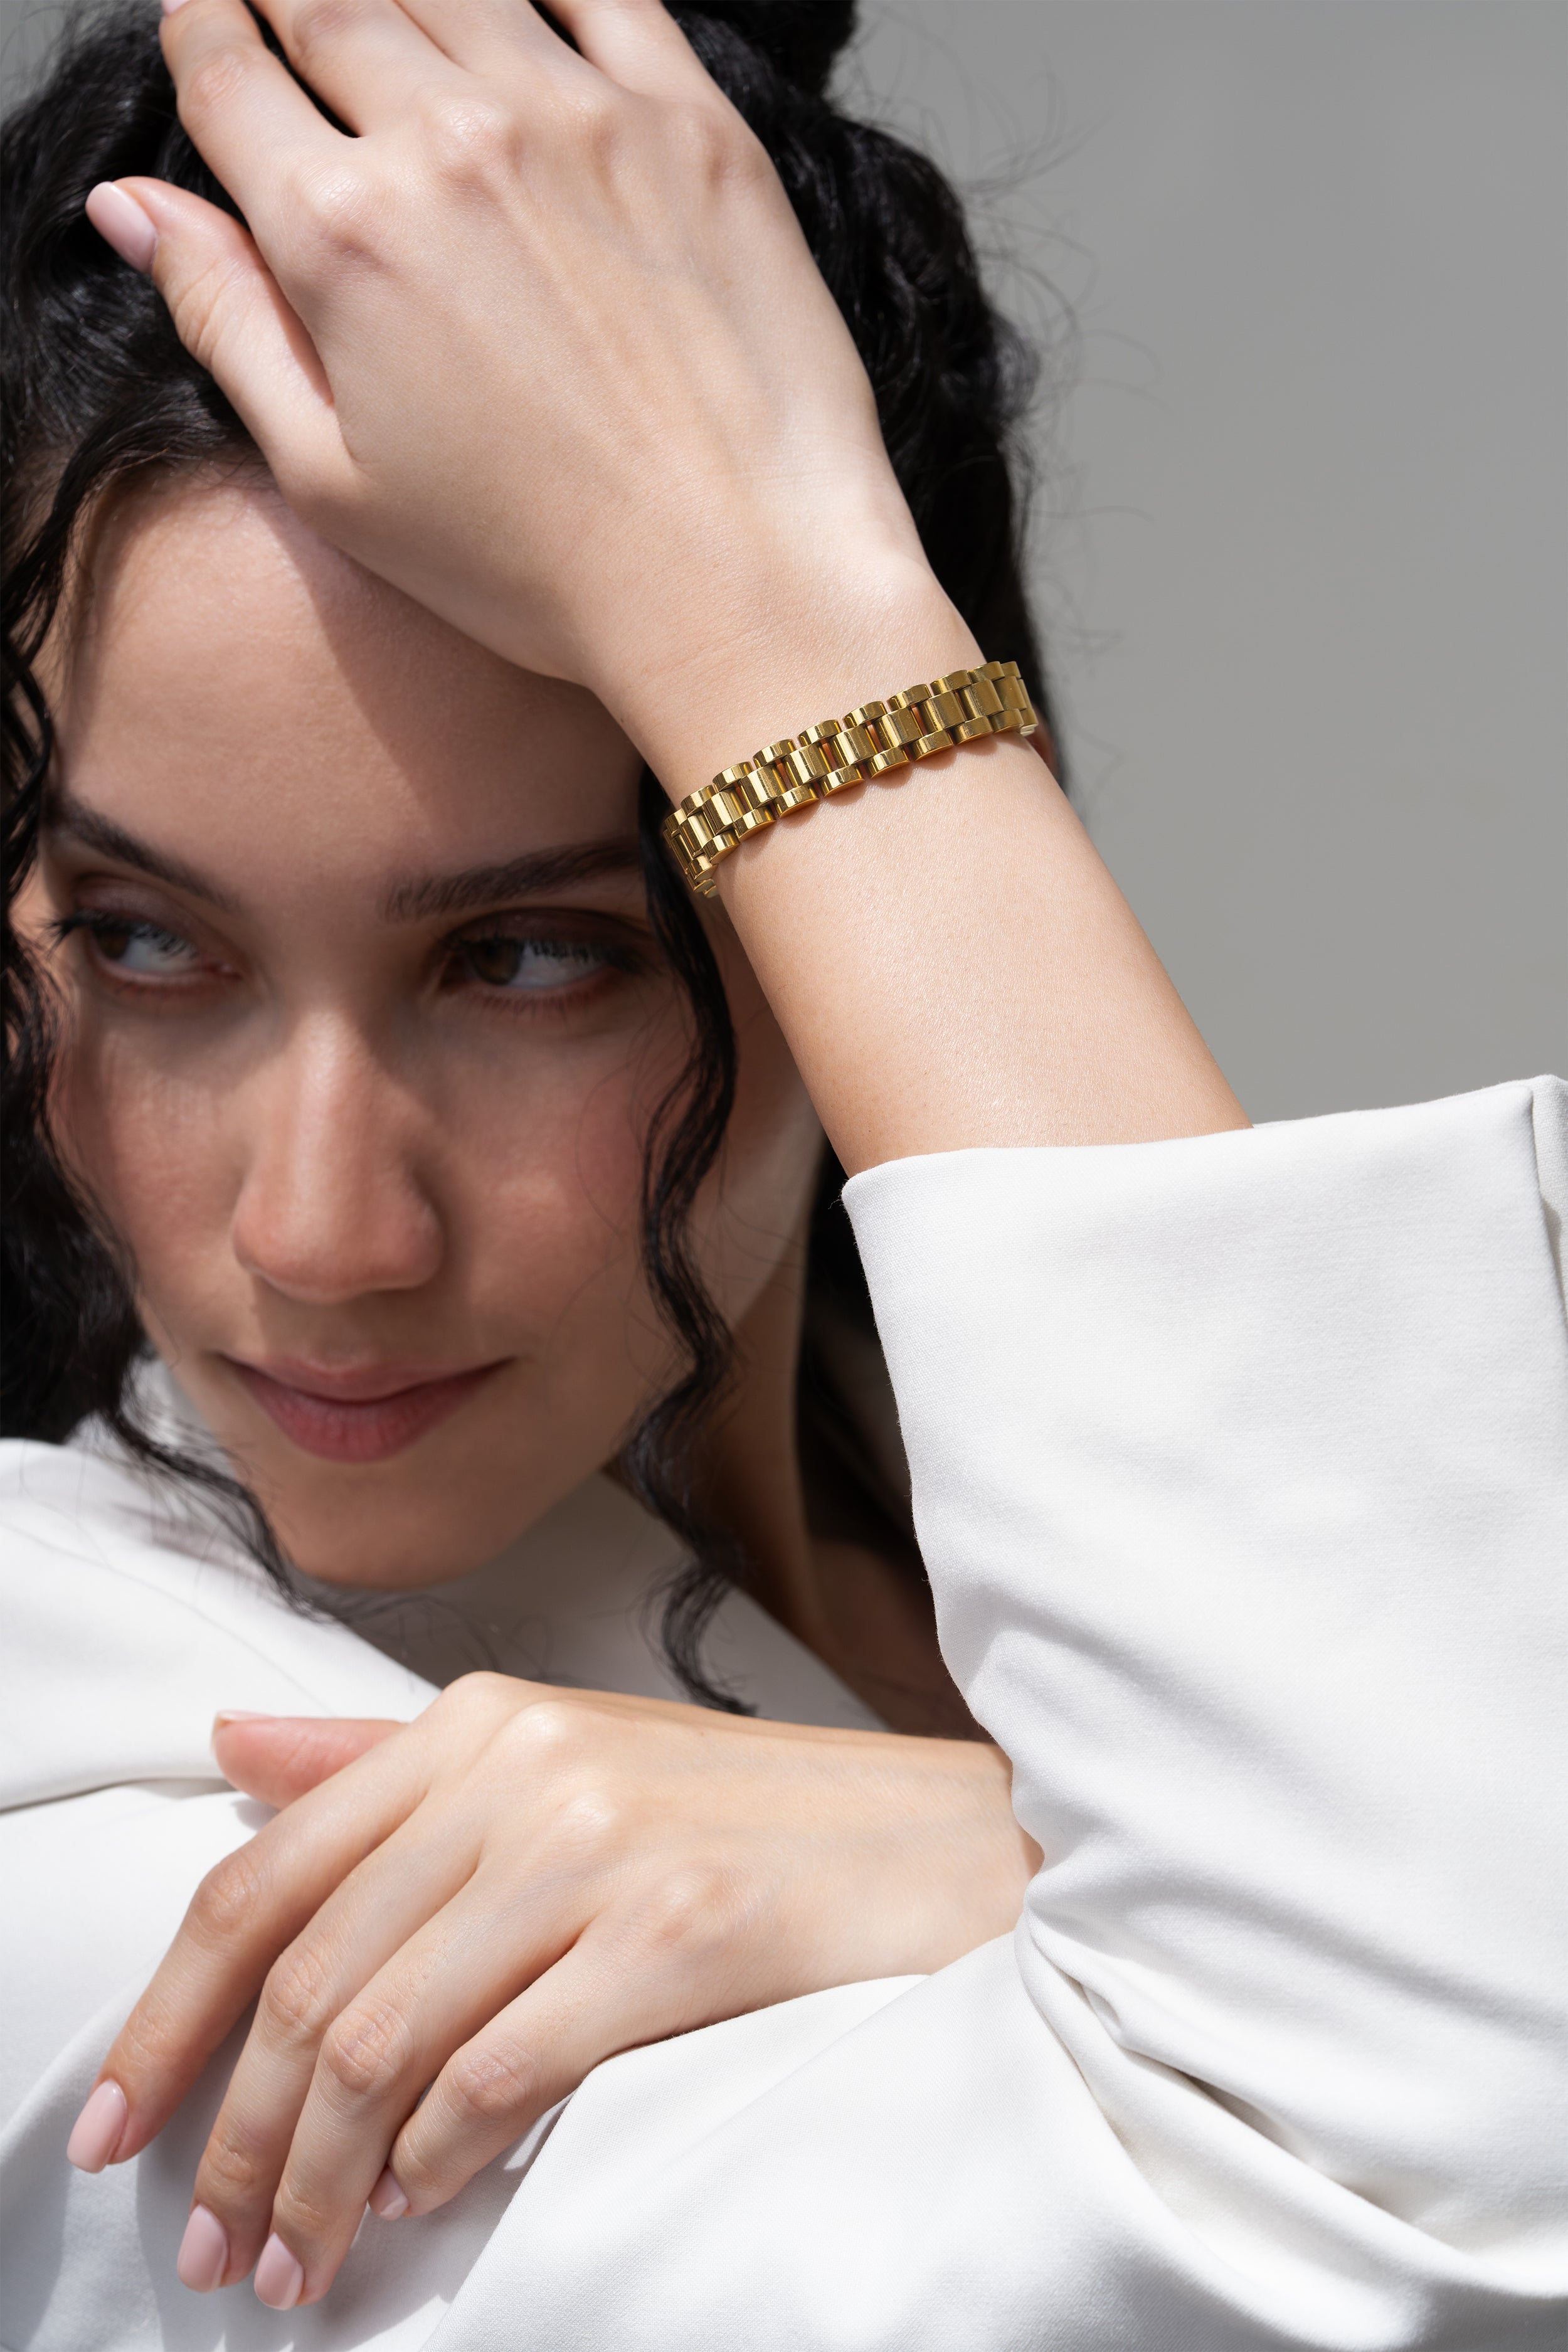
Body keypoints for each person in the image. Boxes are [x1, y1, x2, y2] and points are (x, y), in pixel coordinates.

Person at [1, 1, 1563, 2348]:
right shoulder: (115, 1847)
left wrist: (971, 1838)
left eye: (532, 957)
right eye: (140, 940)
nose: (317, 1231)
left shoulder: (1282, 1504)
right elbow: (1422, 2146)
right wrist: (1029, 1855)